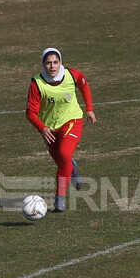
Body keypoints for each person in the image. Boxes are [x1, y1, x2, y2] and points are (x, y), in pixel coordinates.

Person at [26, 48, 95, 213]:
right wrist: (42, 128)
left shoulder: (72, 75)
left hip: (72, 121)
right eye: (48, 63)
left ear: (60, 62)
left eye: (55, 62)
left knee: (64, 154)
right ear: (43, 64)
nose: (52, 66)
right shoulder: (37, 84)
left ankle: (59, 200)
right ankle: (72, 166)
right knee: (62, 161)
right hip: (49, 128)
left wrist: (89, 109)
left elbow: (84, 86)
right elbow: (30, 112)